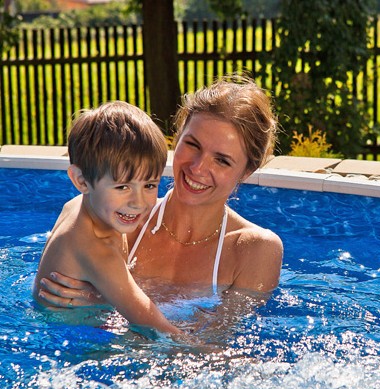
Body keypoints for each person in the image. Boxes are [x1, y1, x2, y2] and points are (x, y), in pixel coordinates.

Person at [37, 75, 283, 312]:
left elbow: (217, 346)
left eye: (221, 160)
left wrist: (106, 302)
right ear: (176, 138)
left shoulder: (253, 250)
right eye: (192, 145)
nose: (197, 168)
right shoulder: (123, 216)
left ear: (247, 171)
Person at [33, 101, 181, 335]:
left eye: (150, 185)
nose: (138, 202)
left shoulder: (76, 207)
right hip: (80, 344)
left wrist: (101, 297)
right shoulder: (96, 251)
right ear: (81, 181)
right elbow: (160, 329)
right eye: (122, 187)